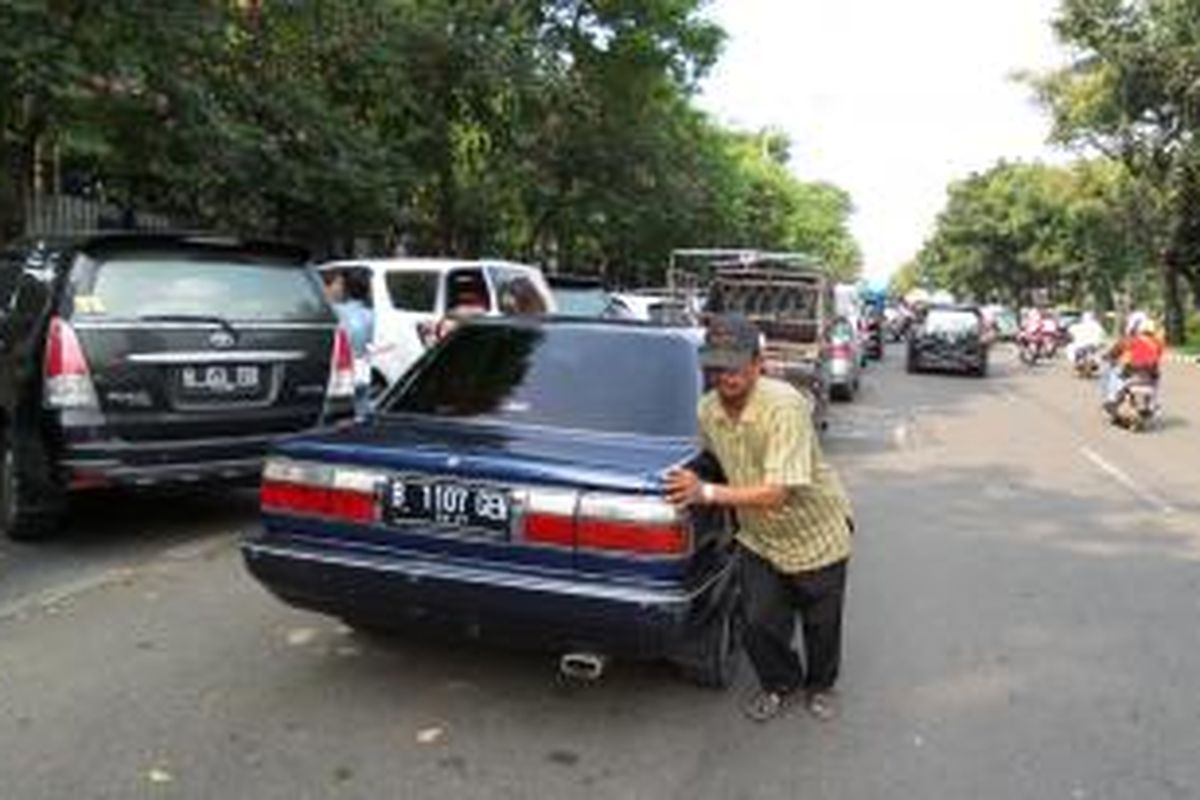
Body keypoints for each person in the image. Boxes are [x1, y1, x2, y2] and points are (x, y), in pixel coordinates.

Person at [665, 314, 854, 724]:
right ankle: (779, 682)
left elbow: (777, 492)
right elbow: (714, 459)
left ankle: (820, 686)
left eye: (734, 365)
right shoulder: (707, 410)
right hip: (759, 538)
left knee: (821, 625)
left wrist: (706, 492)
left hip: (815, 533)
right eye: (716, 365)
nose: (725, 375)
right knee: (758, 622)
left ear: (757, 362)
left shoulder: (785, 406)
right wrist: (692, 477)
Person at [323, 269, 375, 419]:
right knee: (361, 408)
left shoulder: (335, 310)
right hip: (363, 365)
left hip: (342, 368)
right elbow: (370, 341)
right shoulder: (370, 314)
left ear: (346, 288)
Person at [1103, 312, 1165, 411]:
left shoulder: (1128, 340)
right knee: (1156, 380)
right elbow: (1158, 357)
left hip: (1130, 371)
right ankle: (1153, 403)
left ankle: (1112, 398)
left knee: (1113, 373)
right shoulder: (1157, 342)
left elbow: (1113, 353)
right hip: (1150, 374)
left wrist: (1109, 357)